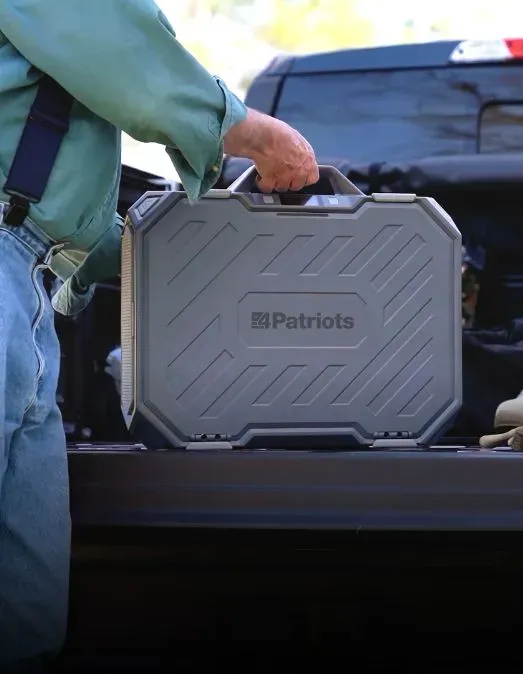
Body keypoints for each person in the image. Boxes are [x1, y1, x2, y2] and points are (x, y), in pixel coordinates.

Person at [0, 1, 319, 669]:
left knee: (25, 608)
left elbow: (65, 189)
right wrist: (255, 134)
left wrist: (163, 248)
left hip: (25, 282)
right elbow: (127, 61)